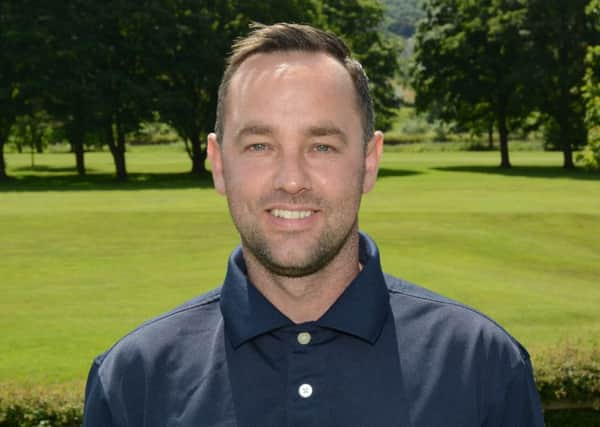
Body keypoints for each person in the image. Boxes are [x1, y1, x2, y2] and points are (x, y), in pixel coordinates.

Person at [83, 23, 544, 426]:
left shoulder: (482, 366)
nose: (291, 180)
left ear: (368, 162)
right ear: (219, 164)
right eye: (259, 145)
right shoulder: (132, 380)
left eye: (321, 146)